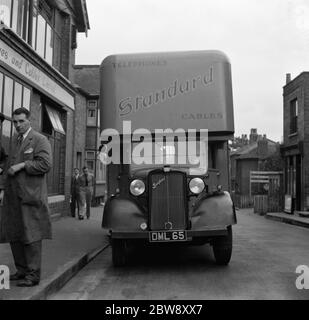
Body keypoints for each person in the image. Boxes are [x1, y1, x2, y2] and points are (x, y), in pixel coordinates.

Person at [0, 107, 53, 287]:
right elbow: (8, 166)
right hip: (13, 197)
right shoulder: (14, 140)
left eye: (21, 121)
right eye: (15, 122)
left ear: (29, 120)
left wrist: (23, 165)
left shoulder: (40, 139)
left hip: (31, 197)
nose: (18, 125)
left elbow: (45, 164)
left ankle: (33, 275)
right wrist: (2, 189)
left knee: (31, 235)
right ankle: (21, 270)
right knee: (15, 234)